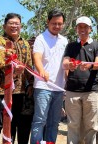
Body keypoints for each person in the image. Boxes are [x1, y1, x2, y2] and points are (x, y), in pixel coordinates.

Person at [0, 13, 33, 144]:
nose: (14, 26)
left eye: (17, 24)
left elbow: (28, 65)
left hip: (20, 91)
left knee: (16, 123)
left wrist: (31, 84)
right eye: (11, 23)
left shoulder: (25, 44)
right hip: (1, 90)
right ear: (4, 26)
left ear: (21, 26)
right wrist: (12, 67)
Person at [62, 16, 98, 144]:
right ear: (76, 29)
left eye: (85, 27)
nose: (82, 29)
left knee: (91, 125)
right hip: (72, 91)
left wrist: (90, 64)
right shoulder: (71, 46)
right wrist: (70, 65)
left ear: (90, 29)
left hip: (91, 91)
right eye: (80, 27)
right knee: (73, 124)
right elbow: (65, 63)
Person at [30, 9, 68, 144]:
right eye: (54, 23)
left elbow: (66, 62)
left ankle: (51, 142)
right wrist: (41, 70)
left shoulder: (64, 40)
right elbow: (37, 57)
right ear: (48, 22)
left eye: (60, 24)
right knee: (40, 120)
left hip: (59, 87)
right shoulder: (41, 39)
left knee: (54, 121)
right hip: (43, 86)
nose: (57, 26)